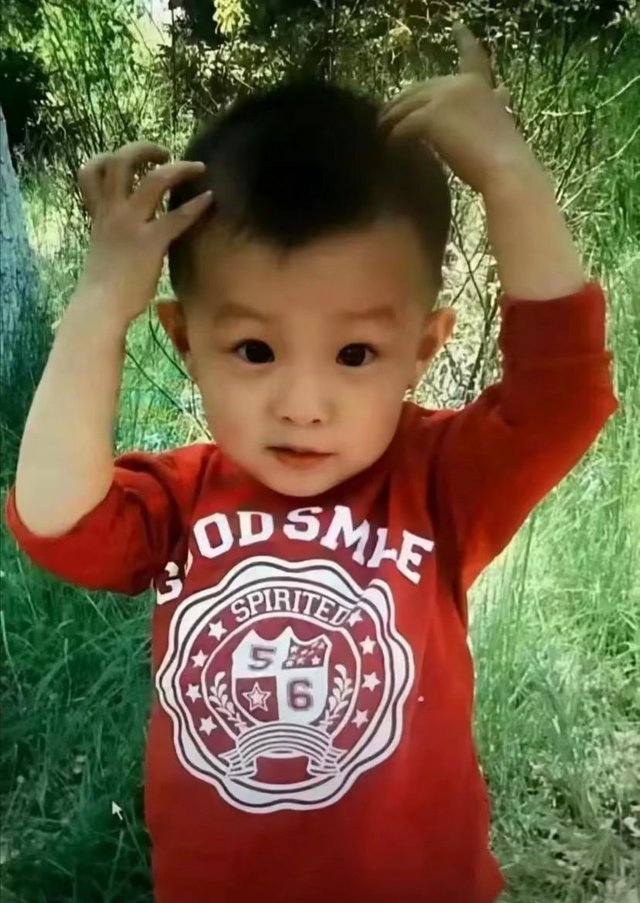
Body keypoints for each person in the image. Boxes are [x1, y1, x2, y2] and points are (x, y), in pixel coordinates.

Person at [4, 23, 618, 903]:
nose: (302, 402)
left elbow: (562, 396)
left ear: (423, 348)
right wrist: (100, 303)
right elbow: (55, 518)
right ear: (185, 340)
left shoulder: (440, 482)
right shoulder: (179, 501)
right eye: (254, 349)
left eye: (355, 353)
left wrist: (511, 178)